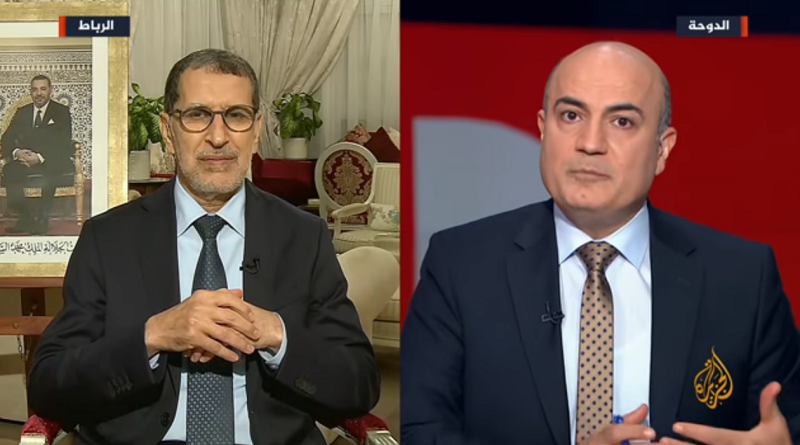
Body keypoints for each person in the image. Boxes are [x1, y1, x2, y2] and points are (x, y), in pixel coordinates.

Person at [401, 41, 800, 445]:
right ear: (543, 129)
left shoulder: (743, 278)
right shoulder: (460, 264)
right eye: (571, 116)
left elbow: (787, 427)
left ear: (662, 149)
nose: (590, 142)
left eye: (622, 121)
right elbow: (419, 431)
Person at [27, 49, 380, 445]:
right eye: (197, 115)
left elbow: (359, 384)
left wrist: (276, 334)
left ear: (256, 129)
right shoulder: (107, 239)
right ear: (167, 130)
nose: (218, 136)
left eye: (236, 115)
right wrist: (152, 336)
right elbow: (49, 386)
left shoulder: (303, 237)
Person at [0, 74, 73, 235]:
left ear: (50, 90)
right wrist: (17, 152)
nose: (39, 93)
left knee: (51, 170)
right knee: (10, 171)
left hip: (51, 159)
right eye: (35, 90)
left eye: (43, 89)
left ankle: (42, 218)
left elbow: (63, 142)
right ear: (31, 92)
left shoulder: (61, 111)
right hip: (26, 159)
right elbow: (7, 138)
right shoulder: (23, 112)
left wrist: (39, 157)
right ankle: (26, 217)